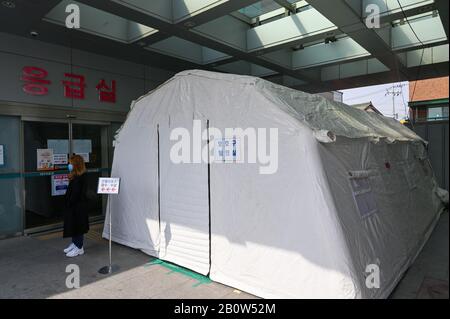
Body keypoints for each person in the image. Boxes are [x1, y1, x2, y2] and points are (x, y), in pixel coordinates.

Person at [63, 154, 89, 257]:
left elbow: (76, 194)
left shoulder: (80, 178)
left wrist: (69, 203)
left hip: (78, 207)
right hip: (74, 206)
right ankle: (75, 244)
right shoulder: (75, 176)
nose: (69, 165)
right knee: (73, 226)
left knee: (78, 227)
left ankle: (79, 247)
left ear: (76, 165)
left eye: (71, 163)